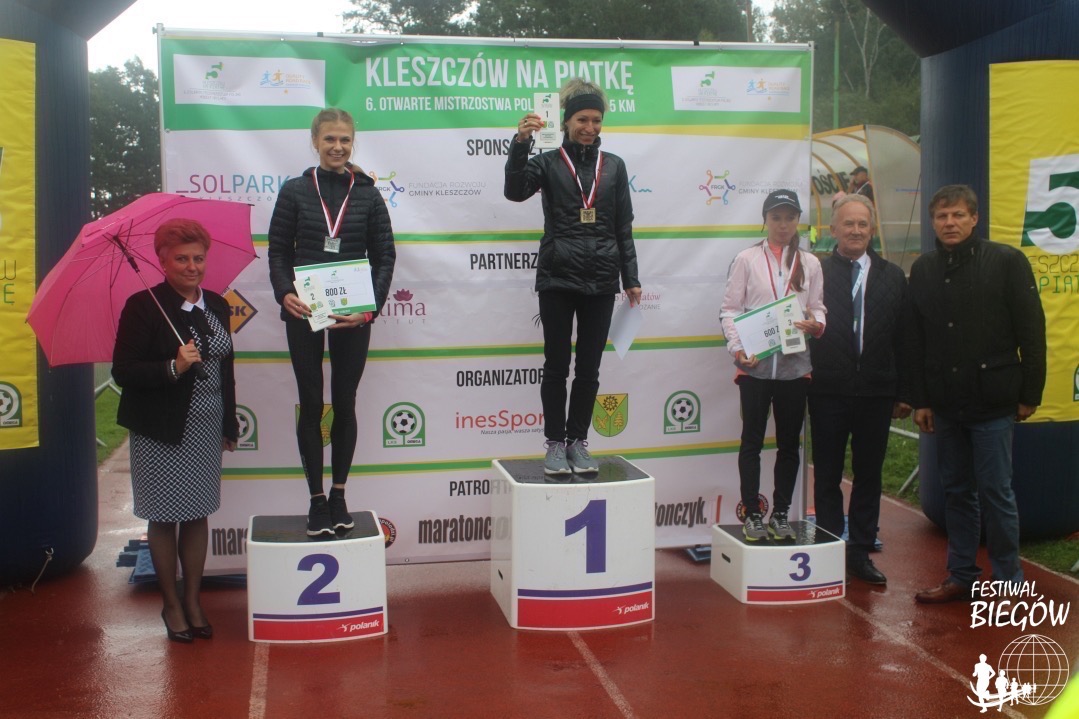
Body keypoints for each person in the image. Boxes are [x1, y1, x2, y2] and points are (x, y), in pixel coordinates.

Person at [908, 184, 1046, 603]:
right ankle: (961, 576)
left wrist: (1030, 392)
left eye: (958, 215)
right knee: (956, 492)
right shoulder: (923, 269)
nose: (950, 223)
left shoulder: (1007, 261)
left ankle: (1008, 582)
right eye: (942, 216)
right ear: (933, 222)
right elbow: (917, 340)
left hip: (994, 402)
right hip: (946, 404)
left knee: (996, 493)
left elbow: (1032, 331)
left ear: (974, 218)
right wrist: (922, 400)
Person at [268, 108, 396, 537]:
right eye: (330, 139)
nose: (337, 147)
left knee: (345, 401)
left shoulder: (368, 195)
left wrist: (369, 309)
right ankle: (316, 500)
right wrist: (283, 291)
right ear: (315, 142)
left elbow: (385, 255)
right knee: (310, 403)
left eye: (345, 140)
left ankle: (340, 495)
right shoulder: (295, 191)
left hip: (353, 312)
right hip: (305, 310)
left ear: (352, 143)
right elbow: (278, 250)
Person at [505, 78, 642, 475]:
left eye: (596, 120)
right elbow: (514, 191)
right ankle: (553, 443)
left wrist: (631, 277)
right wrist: (521, 143)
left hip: (602, 277)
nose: (589, 127)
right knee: (556, 364)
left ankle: (578, 442)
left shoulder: (614, 166)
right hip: (558, 276)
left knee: (589, 368)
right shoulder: (548, 162)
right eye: (582, 119)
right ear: (566, 121)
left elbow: (623, 227)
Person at [113, 218, 239, 643]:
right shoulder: (143, 306)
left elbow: (225, 369)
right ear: (162, 261)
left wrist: (228, 421)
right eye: (181, 259)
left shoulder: (217, 304)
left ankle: (193, 600)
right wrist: (174, 366)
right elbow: (123, 371)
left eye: (198, 258)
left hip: (206, 425)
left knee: (198, 512)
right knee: (165, 517)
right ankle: (171, 604)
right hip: (161, 428)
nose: (191, 267)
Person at [807, 194, 909, 585]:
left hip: (876, 391)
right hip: (827, 389)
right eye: (848, 223)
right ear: (833, 229)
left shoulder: (892, 276)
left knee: (869, 474)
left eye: (862, 224)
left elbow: (905, 338)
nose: (855, 230)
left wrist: (905, 392)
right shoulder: (815, 272)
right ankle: (829, 546)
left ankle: (861, 551)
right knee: (827, 473)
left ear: (872, 230)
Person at [720, 190, 825, 541]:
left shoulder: (810, 263)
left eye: (789, 218)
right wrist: (737, 348)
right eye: (776, 217)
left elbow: (818, 307)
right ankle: (752, 513)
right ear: (765, 219)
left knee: (789, 445)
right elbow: (730, 310)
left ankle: (780, 514)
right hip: (755, 366)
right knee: (751, 441)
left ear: (798, 221)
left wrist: (816, 324)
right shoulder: (746, 259)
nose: (783, 224)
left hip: (795, 368)